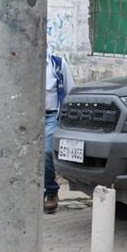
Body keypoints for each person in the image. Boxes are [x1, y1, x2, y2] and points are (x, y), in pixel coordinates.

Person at [43, 52, 75, 214]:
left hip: (51, 116)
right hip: (28, 116)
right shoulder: (23, 60)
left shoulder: (58, 64)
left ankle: (51, 190)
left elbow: (70, 91)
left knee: (47, 152)